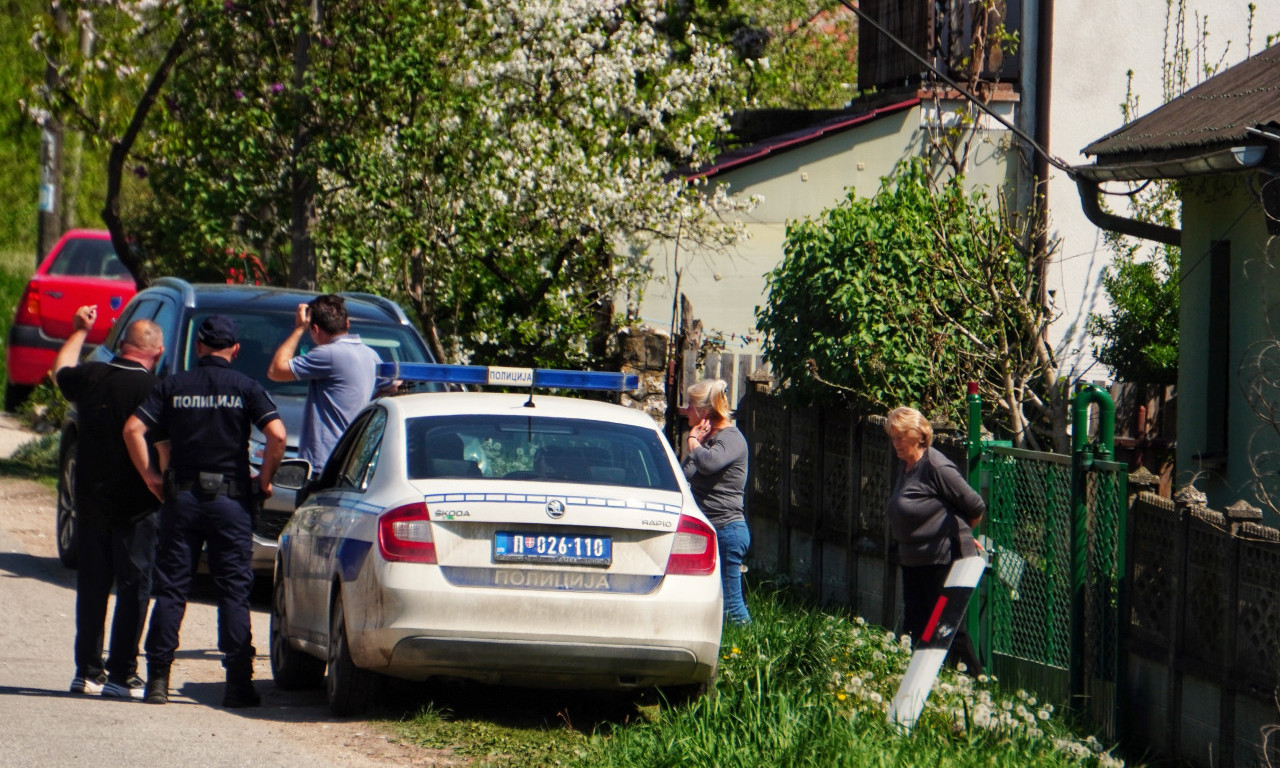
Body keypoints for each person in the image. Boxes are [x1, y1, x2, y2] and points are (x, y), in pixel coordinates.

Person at [123, 315, 286, 708]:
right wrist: (264, 480)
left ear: (198, 347)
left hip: (182, 500)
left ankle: (158, 680)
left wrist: (151, 475)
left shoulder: (174, 385)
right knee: (233, 590)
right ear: (235, 349)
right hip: (230, 502)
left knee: (172, 589)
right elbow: (277, 434)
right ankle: (238, 684)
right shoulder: (245, 387)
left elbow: (132, 429)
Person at [54, 305, 165, 700]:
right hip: (138, 504)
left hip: (91, 501)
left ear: (121, 345)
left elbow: (60, 371)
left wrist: (80, 331)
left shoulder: (91, 376)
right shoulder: (154, 389)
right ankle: (122, 673)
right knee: (135, 586)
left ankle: (86, 671)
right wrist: (162, 482)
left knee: (93, 586)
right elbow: (164, 446)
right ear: (158, 350)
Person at [884, 406, 986, 672]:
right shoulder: (907, 466)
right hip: (915, 561)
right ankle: (922, 682)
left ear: (918, 435)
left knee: (944, 626)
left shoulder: (935, 465)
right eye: (892, 437)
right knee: (916, 625)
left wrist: (963, 531)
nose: (894, 443)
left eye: (899, 436)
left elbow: (974, 505)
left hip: (942, 559)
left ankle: (975, 682)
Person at [267, 294, 382, 474]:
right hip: (354, 462)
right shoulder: (371, 355)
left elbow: (276, 370)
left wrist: (298, 329)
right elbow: (392, 386)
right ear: (347, 324)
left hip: (324, 464)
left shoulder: (327, 354)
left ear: (314, 329)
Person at [681, 378, 752, 625]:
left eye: (690, 404)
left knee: (732, 606)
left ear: (704, 410)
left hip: (726, 530)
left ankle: (751, 652)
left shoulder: (731, 438)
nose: (685, 409)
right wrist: (696, 443)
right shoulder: (707, 440)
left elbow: (709, 463)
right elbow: (685, 474)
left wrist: (692, 442)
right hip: (707, 530)